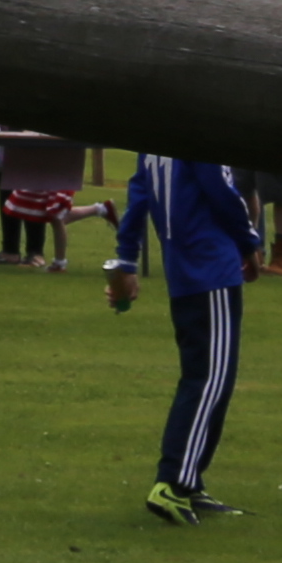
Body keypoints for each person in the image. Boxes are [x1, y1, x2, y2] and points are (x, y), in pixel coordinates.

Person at [106, 148, 258, 524]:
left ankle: (190, 482)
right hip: (211, 265)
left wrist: (126, 259)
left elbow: (138, 194)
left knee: (203, 377)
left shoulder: (153, 141)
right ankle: (173, 482)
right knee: (210, 380)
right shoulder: (199, 135)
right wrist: (249, 242)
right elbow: (222, 192)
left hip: (184, 269)